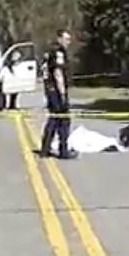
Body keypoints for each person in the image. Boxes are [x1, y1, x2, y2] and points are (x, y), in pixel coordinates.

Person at [40, 29, 78, 160]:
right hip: (56, 90)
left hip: (49, 89)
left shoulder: (49, 51)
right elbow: (58, 73)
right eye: (66, 39)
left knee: (54, 119)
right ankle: (63, 150)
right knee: (64, 120)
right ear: (59, 39)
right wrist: (62, 93)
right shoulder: (58, 52)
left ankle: (45, 149)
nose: (69, 42)